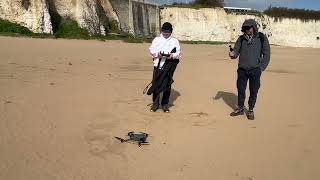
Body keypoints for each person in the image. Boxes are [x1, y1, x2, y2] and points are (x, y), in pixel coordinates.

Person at [229, 19, 270, 120]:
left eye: (248, 27)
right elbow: (236, 52)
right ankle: (240, 108)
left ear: (254, 28)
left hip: (255, 70)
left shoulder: (261, 38)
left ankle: (250, 110)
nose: (247, 29)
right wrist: (232, 54)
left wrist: (261, 68)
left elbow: (267, 54)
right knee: (241, 89)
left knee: (253, 91)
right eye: (245, 28)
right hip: (242, 69)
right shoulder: (241, 39)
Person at [148, 22, 181, 113]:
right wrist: (158, 54)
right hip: (157, 65)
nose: (166, 33)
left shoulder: (175, 41)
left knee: (167, 85)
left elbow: (178, 53)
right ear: (161, 31)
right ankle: (155, 104)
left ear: (171, 32)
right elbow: (151, 50)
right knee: (156, 84)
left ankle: (165, 104)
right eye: (164, 31)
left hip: (169, 66)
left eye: (168, 31)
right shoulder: (157, 39)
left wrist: (171, 55)